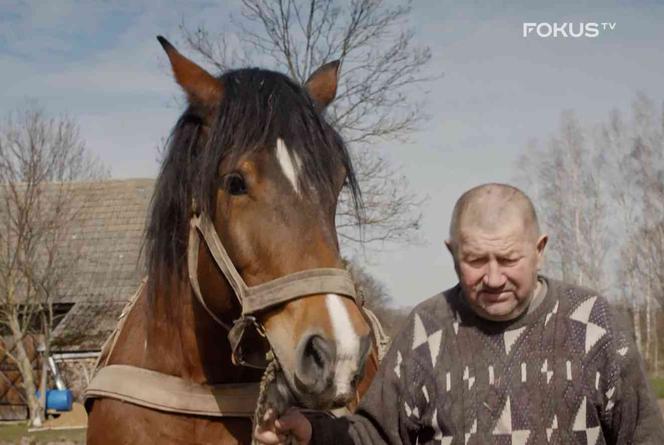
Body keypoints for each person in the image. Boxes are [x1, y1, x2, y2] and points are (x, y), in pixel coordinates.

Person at [254, 183, 664, 444]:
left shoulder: (592, 325)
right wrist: (311, 430)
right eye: (474, 260)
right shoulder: (426, 330)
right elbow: (374, 436)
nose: (493, 277)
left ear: (539, 250)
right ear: (452, 252)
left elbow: (644, 434)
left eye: (508, 259)